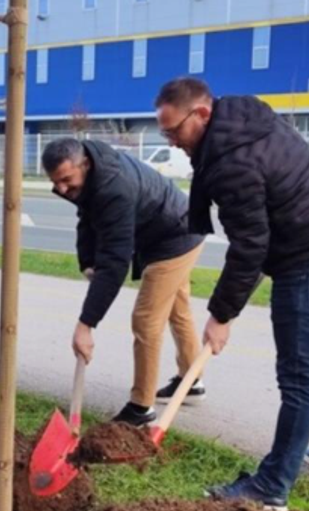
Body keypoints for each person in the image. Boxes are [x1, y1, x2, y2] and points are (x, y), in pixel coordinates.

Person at [154, 77, 309, 511]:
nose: (171, 141)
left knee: (298, 379)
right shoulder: (246, 120)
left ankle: (271, 487)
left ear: (202, 114)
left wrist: (221, 316)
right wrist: (226, 310)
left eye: (174, 130)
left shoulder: (232, 163)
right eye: (165, 133)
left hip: (308, 264)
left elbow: (250, 247)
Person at [41, 138, 206, 426]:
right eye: (56, 183)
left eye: (66, 180)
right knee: (177, 310)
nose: (63, 189)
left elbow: (115, 262)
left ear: (85, 164)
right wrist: (87, 261)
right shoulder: (92, 172)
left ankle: (141, 408)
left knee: (146, 319)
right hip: (169, 226)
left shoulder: (113, 188)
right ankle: (191, 380)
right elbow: (87, 215)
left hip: (176, 236)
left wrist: (86, 324)